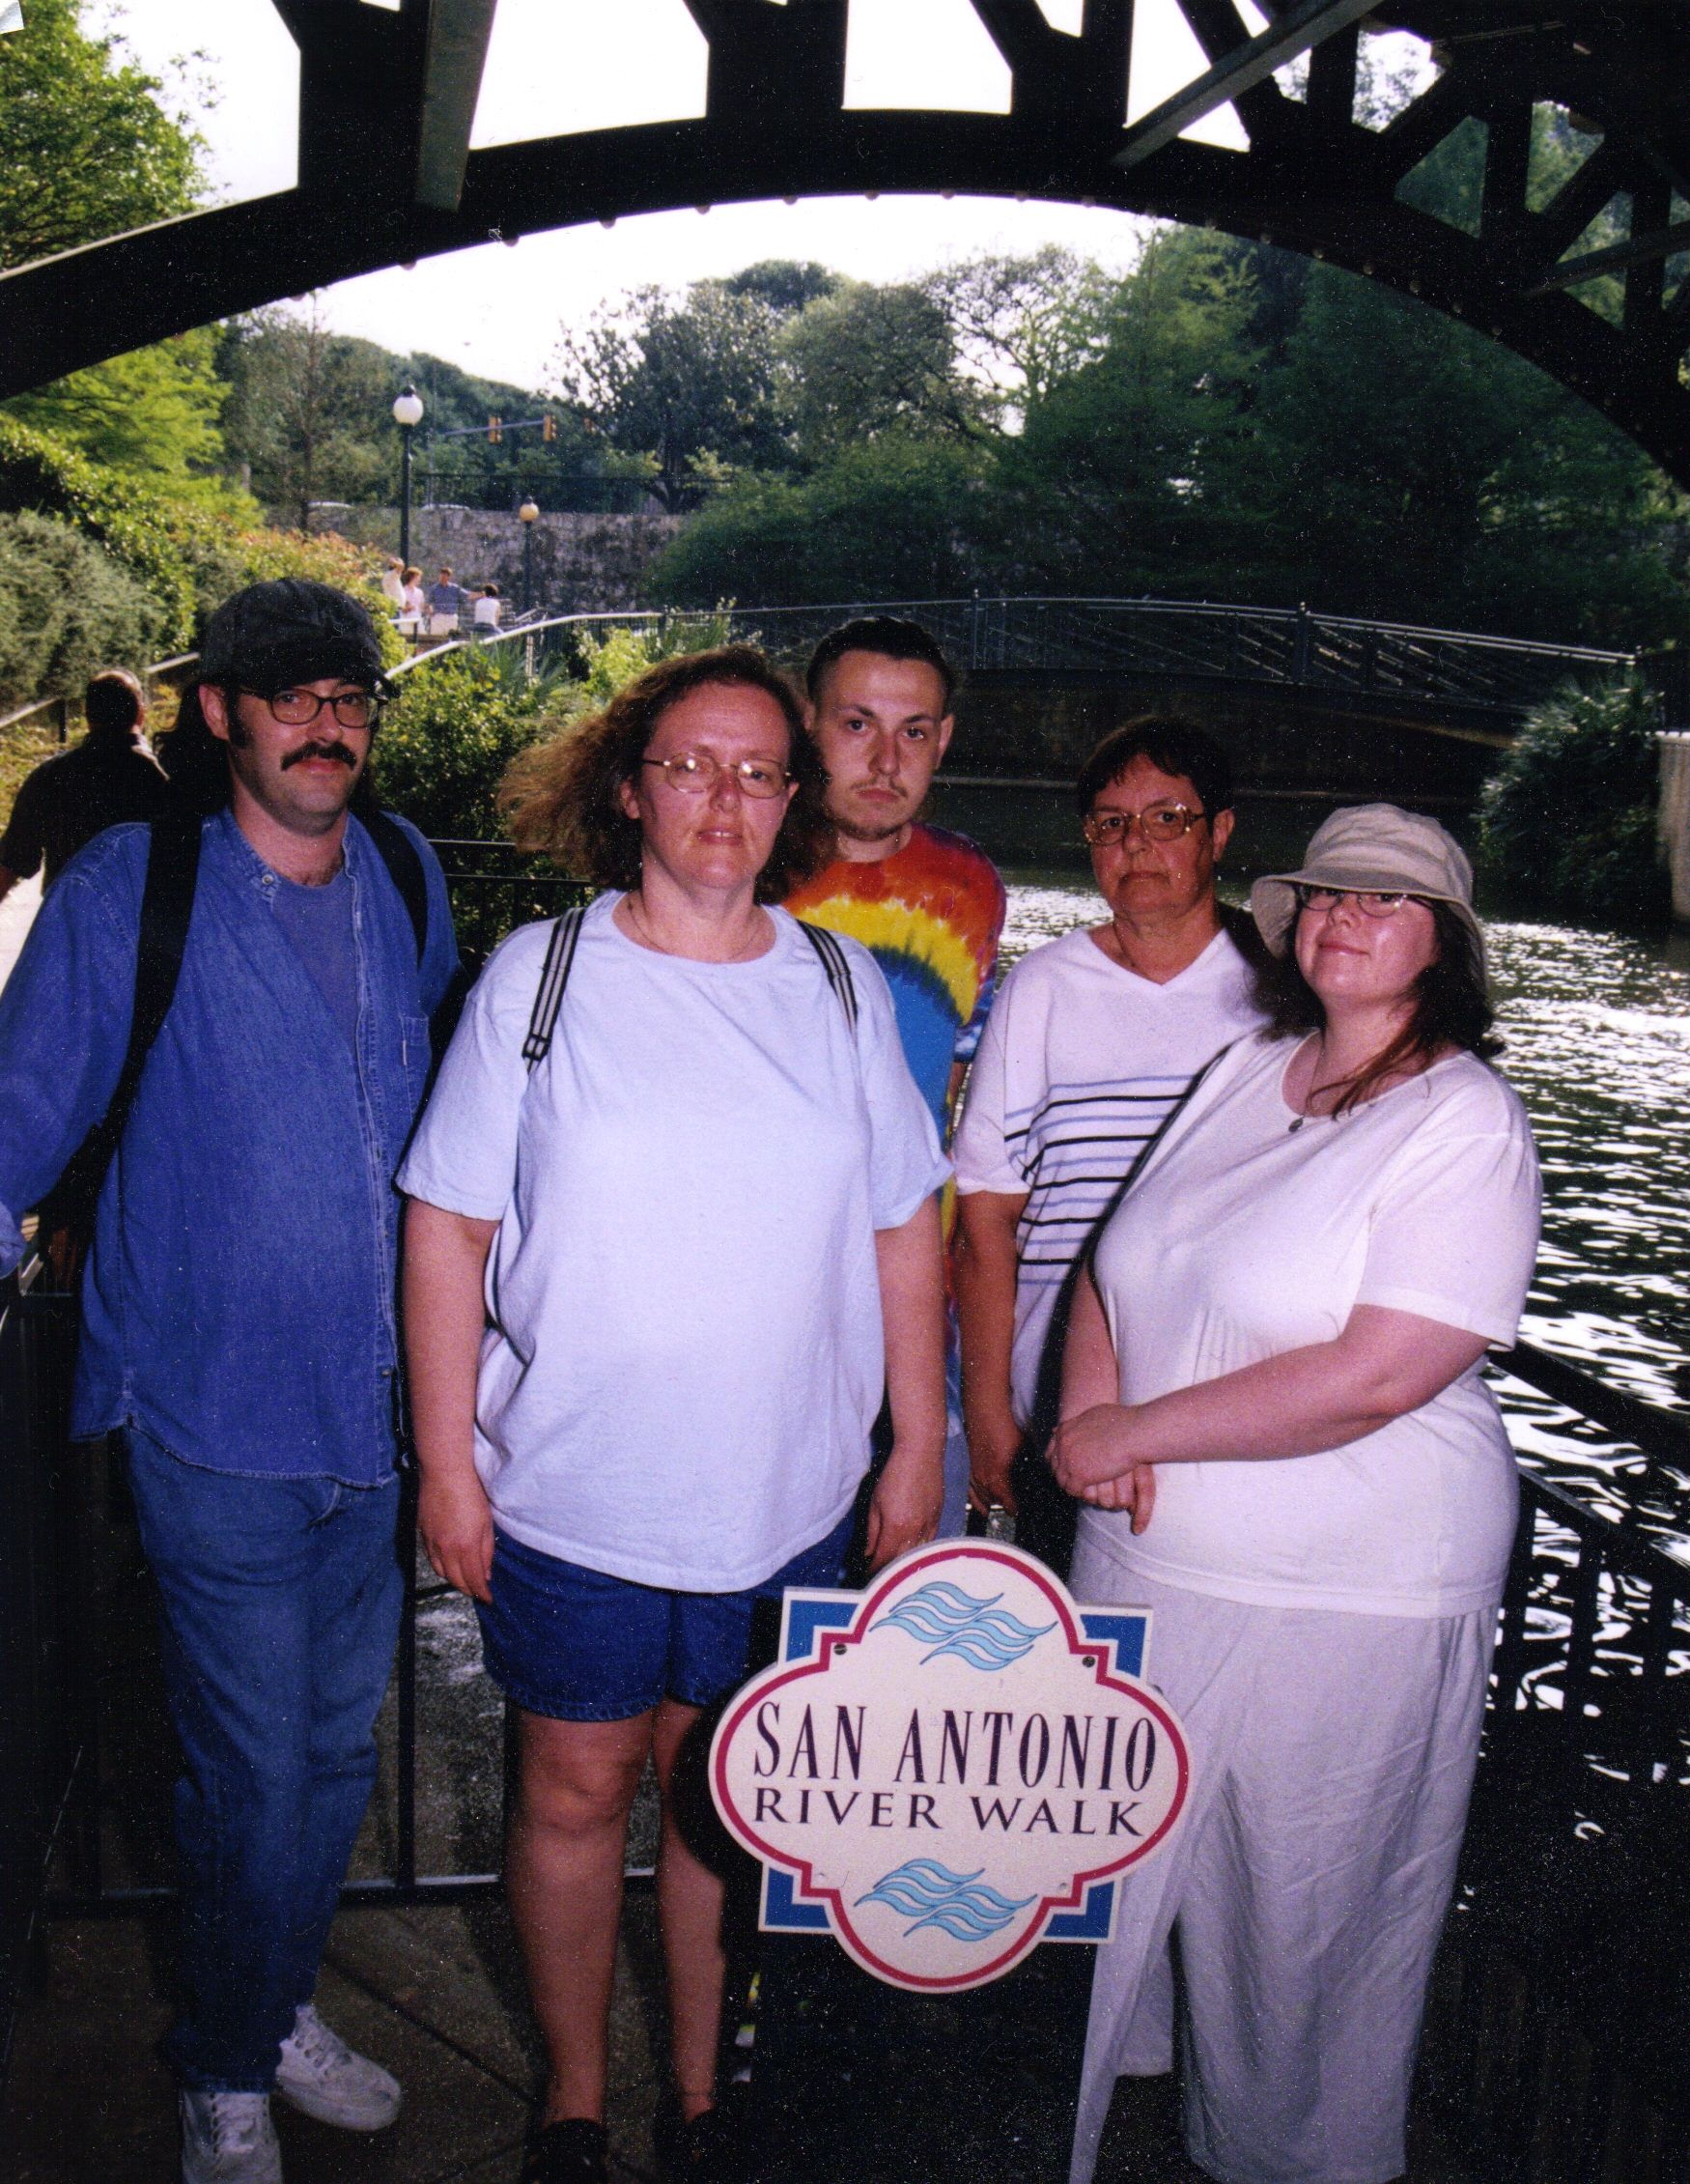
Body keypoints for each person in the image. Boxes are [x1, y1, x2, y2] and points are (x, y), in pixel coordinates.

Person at [397, 645, 947, 2184]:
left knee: (722, 1803)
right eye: (694, 765)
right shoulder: (542, 977)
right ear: (633, 785)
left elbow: (908, 1220)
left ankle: (700, 2100)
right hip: (573, 1495)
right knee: (572, 1793)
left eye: (760, 770)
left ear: (792, 802)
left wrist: (916, 1439)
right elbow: (445, 1223)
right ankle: (573, 2101)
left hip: (780, 1506)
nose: (725, 798)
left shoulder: (840, 986)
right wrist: (449, 1462)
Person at [0, 580, 459, 2184]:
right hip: (208, 1415)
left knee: (335, 1762)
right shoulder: (138, 882)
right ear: (218, 714)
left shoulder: (407, 873)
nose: (326, 724)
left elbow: (455, 1153)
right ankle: (219, 2066)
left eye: (349, 697)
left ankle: (261, 2009)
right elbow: (16, 1123)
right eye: (289, 696)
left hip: (382, 1418)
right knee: (252, 1764)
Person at [1049, 804, 1541, 2184]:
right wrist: (1090, 1418)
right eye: (1323, 892)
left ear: (1440, 945)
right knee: (1091, 1909)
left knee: (1303, 1948)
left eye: (1383, 901)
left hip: (1347, 1597)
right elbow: (1106, 1263)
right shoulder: (1245, 1066)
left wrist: (1139, 1424)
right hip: (1141, 1571)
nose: (1341, 916)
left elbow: (1379, 1373)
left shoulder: (1463, 1119)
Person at [952, 717, 1266, 1540]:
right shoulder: (1043, 989)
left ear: (1220, 831)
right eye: (1112, 825)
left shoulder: (1287, 986)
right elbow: (985, 1221)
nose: (1139, 844)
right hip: (1055, 1417)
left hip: (1229, 1418)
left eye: (1169, 818)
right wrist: (989, 1414)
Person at [784, 614, 1006, 1537]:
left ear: (944, 739)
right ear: (806, 723)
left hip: (917, 1307)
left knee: (906, 1615)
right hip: (773, 1302)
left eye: (914, 730)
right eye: (856, 724)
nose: (885, 758)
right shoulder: (746, 871)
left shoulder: (970, 886)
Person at [0, 667, 168, 903]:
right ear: (141, 714)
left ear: (89, 717)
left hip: (69, 920)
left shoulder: (50, 776)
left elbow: (11, 864)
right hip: (142, 922)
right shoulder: (162, 778)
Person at [428, 564, 465, 634]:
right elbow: (429, 601)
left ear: (448, 577)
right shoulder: (434, 588)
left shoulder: (455, 588)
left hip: (451, 616)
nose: (442, 578)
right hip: (439, 616)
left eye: (444, 576)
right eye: (441, 576)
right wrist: (430, 609)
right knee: (436, 637)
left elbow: (466, 594)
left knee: (451, 638)